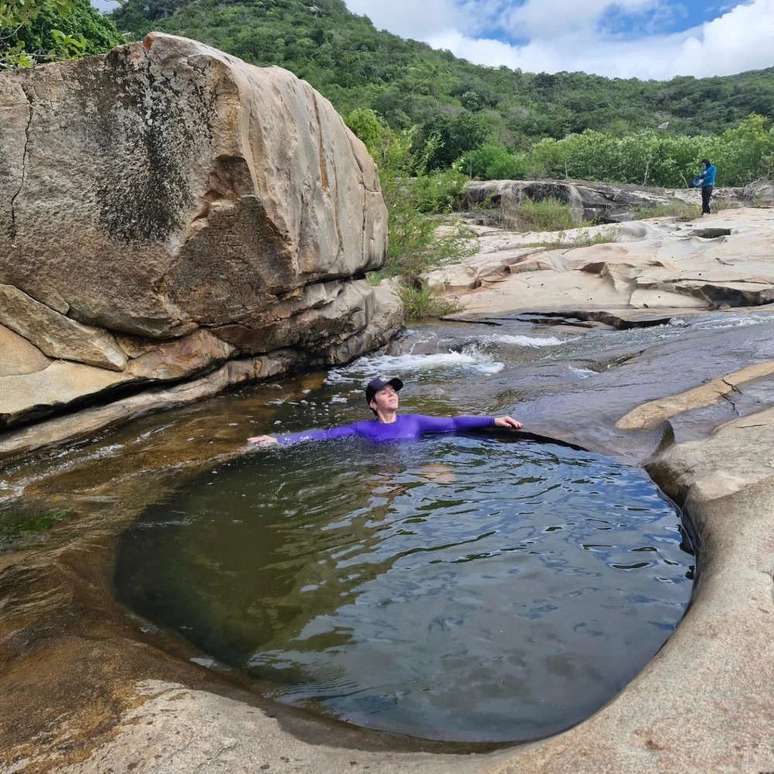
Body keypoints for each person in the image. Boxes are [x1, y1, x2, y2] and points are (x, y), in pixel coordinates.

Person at [247, 376, 523, 447]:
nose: (392, 394)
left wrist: (494, 419)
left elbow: (453, 423)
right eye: (384, 392)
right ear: (372, 403)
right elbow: (322, 435)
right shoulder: (361, 428)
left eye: (394, 391)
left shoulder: (415, 422)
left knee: (443, 477)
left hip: (415, 464)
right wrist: (278, 439)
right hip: (381, 469)